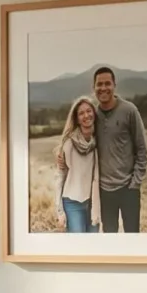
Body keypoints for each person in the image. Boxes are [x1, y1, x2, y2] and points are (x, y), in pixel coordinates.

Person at [91, 66, 147, 233]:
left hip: (128, 188)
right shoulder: (92, 115)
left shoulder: (129, 110)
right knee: (110, 238)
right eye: (99, 84)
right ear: (93, 87)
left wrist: (135, 183)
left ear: (114, 85)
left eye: (107, 83)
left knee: (132, 236)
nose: (103, 88)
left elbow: (142, 150)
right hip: (104, 191)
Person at [53, 96, 101, 233]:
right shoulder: (69, 144)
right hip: (72, 203)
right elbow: (59, 176)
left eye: (89, 111)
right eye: (81, 113)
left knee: (92, 247)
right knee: (77, 248)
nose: (86, 115)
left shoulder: (99, 142)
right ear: (77, 119)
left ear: (94, 113)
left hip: (93, 202)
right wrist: (59, 211)